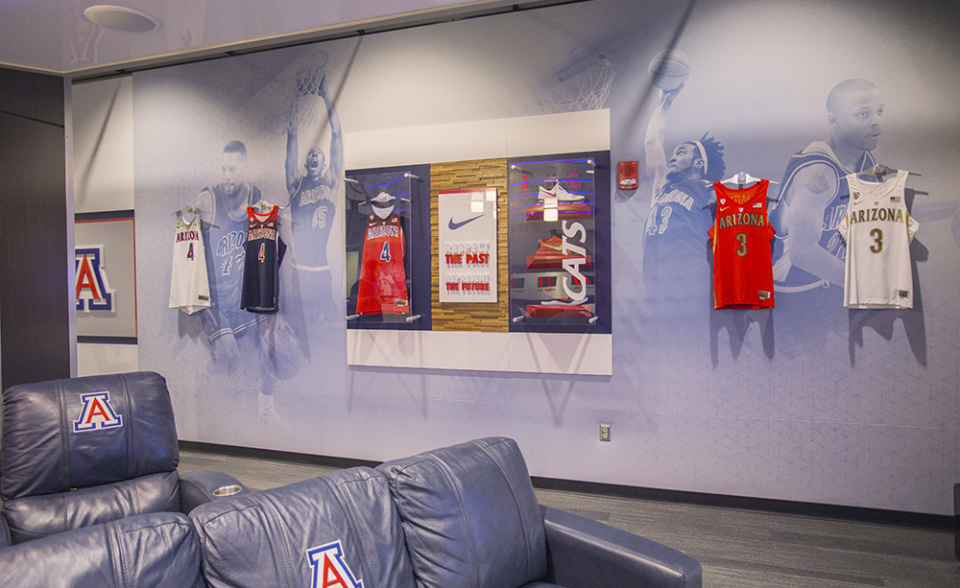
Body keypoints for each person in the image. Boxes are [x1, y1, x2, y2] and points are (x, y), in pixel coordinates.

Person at [770, 79, 882, 292]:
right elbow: (802, 253)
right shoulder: (818, 173)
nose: (876, 120)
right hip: (794, 288)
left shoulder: (866, 161)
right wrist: (865, 285)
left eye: (880, 111)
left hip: (832, 278)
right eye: (863, 114)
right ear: (835, 120)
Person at [641, 84, 725, 315]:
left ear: (698, 163)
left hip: (691, 281)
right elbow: (651, 143)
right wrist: (664, 103)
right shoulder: (662, 186)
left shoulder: (709, 190)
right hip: (657, 285)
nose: (673, 157)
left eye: (681, 152)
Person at [197, 140, 262, 375]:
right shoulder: (207, 200)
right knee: (231, 359)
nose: (226, 176)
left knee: (258, 357)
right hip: (215, 299)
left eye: (232, 169)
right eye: (223, 169)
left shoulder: (256, 196)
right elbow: (193, 255)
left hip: (240, 297)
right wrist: (201, 302)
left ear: (245, 168)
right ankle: (204, 370)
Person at [284, 72, 342, 327]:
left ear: (326, 161)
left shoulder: (332, 181)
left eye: (319, 152)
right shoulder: (296, 185)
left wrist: (326, 94)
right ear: (306, 163)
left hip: (321, 269)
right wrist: (294, 102)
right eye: (311, 154)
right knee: (298, 332)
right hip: (300, 270)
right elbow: (292, 136)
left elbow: (337, 133)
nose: (315, 155)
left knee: (327, 333)